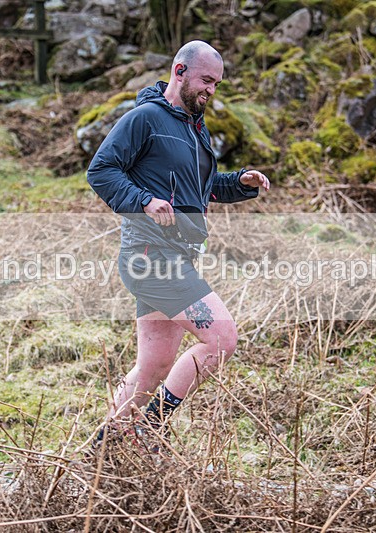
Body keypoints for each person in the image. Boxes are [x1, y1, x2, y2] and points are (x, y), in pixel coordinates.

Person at [86, 40, 270, 450]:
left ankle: (101, 454)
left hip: (174, 256)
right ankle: (153, 427)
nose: (211, 91)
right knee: (222, 340)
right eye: (206, 80)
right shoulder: (145, 118)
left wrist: (239, 182)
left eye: (217, 85)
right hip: (151, 256)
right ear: (179, 70)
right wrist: (144, 202)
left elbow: (201, 190)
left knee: (152, 368)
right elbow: (100, 170)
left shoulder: (195, 129)